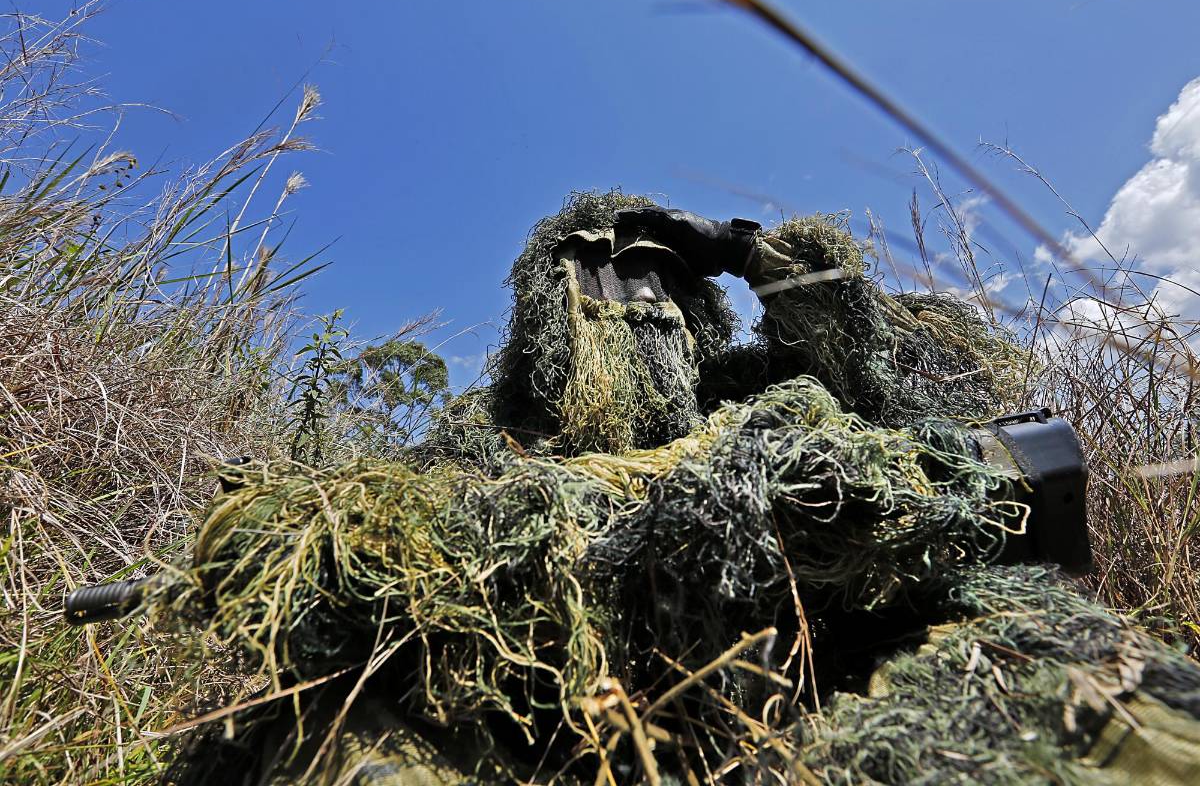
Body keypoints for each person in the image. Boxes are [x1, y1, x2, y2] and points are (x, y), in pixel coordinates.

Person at [160, 192, 1199, 785]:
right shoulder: (495, 433)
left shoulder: (765, 390)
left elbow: (884, 372)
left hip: (844, 658)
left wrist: (745, 248)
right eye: (593, 282)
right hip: (584, 714)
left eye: (654, 284)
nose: (630, 308)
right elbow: (411, 551)